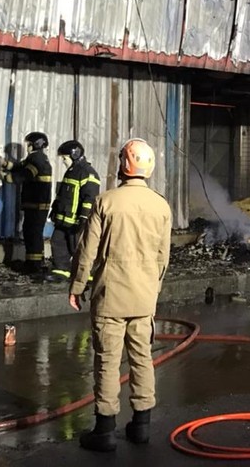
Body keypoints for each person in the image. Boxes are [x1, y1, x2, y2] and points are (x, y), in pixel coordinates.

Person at [68, 138, 172, 452]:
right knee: (143, 360)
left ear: (123, 165)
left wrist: (77, 286)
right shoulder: (161, 205)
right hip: (143, 298)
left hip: (109, 296)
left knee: (107, 363)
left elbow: (87, 252)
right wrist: (152, 289)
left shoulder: (105, 202)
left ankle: (105, 431)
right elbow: (163, 258)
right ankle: (141, 427)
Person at [48, 140, 100, 280]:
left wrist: (84, 217)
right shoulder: (71, 172)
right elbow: (62, 194)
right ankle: (61, 270)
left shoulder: (88, 174)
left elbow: (90, 198)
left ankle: (86, 274)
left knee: (78, 247)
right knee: (58, 242)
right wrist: (54, 209)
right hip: (63, 218)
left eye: (65, 158)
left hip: (76, 221)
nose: (64, 162)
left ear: (74, 155)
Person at [3, 131, 54, 274]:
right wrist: (5, 164)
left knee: (33, 234)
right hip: (37, 204)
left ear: (34, 145)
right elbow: (21, 166)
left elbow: (25, 175)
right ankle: (33, 262)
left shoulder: (36, 159)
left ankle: (34, 265)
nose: (28, 147)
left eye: (29, 144)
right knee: (32, 233)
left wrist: (7, 178)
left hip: (36, 204)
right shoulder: (38, 158)